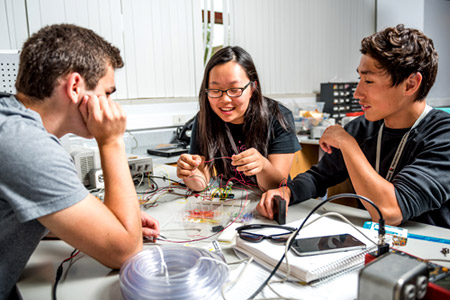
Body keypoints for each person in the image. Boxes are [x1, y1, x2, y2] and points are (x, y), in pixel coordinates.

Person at [0, 24, 160, 299]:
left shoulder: (12, 122)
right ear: (75, 86)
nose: (111, 103)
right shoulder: (25, 143)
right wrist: (111, 141)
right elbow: (125, 251)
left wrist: (102, 220)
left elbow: (37, 214)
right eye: (107, 93)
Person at [257, 24, 450, 228]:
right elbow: (319, 177)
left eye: (368, 81)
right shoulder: (364, 128)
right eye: (360, 78)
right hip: (374, 241)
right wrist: (287, 192)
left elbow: (391, 212)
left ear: (410, 84)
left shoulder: (443, 135)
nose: (357, 93)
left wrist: (348, 145)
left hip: (431, 250)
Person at [176, 46, 301, 192]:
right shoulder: (204, 119)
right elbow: (201, 182)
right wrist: (189, 173)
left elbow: (277, 185)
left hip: (270, 202)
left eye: (234, 90)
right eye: (215, 90)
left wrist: (263, 166)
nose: (225, 99)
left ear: (253, 88)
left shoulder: (278, 116)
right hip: (230, 200)